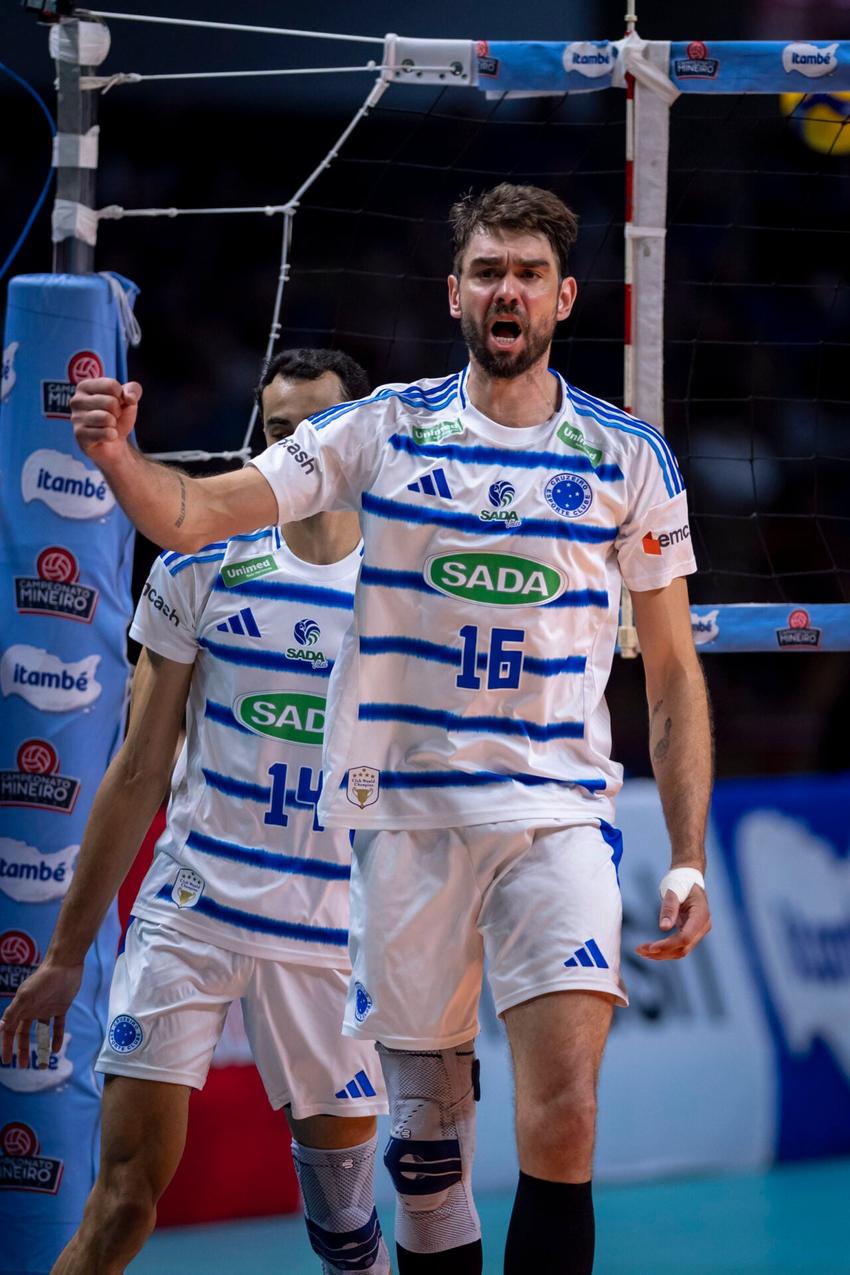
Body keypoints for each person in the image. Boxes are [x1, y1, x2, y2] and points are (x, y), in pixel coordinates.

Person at [58, 184, 713, 1275]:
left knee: (561, 1118)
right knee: (426, 1170)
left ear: (565, 298)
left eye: (530, 274)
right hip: (400, 829)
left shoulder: (627, 458)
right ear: (455, 292)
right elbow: (196, 514)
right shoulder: (380, 429)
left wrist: (687, 852)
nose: (510, 290)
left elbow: (677, 678)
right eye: (491, 270)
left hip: (553, 816)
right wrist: (125, 460)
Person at [0, 349, 392, 1275]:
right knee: (124, 1199)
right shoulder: (204, 561)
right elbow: (136, 770)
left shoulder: (402, 586)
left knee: (346, 1225)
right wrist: (65, 955)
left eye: (311, 431)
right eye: (274, 433)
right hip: (194, 914)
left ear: (357, 435)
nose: (290, 452)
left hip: (329, 934)